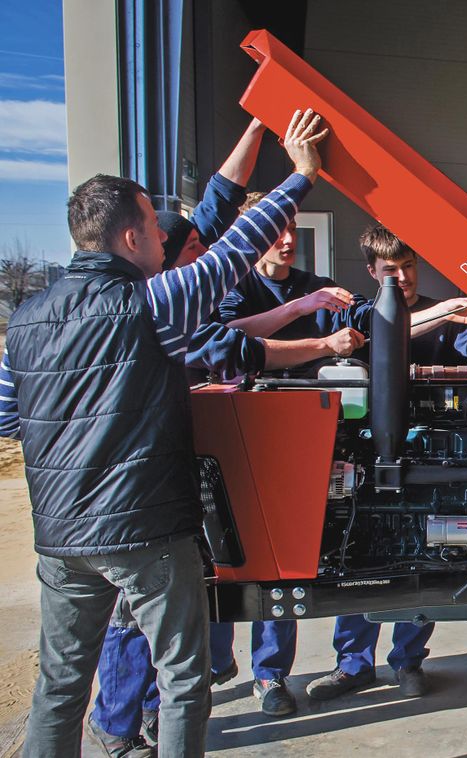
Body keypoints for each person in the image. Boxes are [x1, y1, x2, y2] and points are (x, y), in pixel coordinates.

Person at [0, 108, 328, 758]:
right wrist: (301, 177)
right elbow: (233, 254)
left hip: (60, 538)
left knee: (62, 686)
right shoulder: (150, 303)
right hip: (146, 532)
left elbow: (8, 416)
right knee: (182, 679)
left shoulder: (26, 318)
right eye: (154, 226)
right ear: (131, 237)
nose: (162, 238)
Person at [88, 207, 365, 756]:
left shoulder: (157, 306)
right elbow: (230, 348)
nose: (204, 259)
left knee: (175, 604)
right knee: (139, 615)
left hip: (156, 481)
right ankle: (119, 725)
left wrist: (306, 308)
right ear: (155, 251)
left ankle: (145, 709)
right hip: (138, 491)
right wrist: (322, 345)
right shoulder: (153, 310)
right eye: (193, 248)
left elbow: (230, 335)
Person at [303, 223, 467, 704]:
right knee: (357, 553)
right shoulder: (362, 316)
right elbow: (364, 341)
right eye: (390, 270)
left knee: (417, 554)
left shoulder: (451, 322)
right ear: (371, 271)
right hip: (365, 454)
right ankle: (352, 666)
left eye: (408, 267)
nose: (401, 278)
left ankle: (407, 662)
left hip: (432, 454)